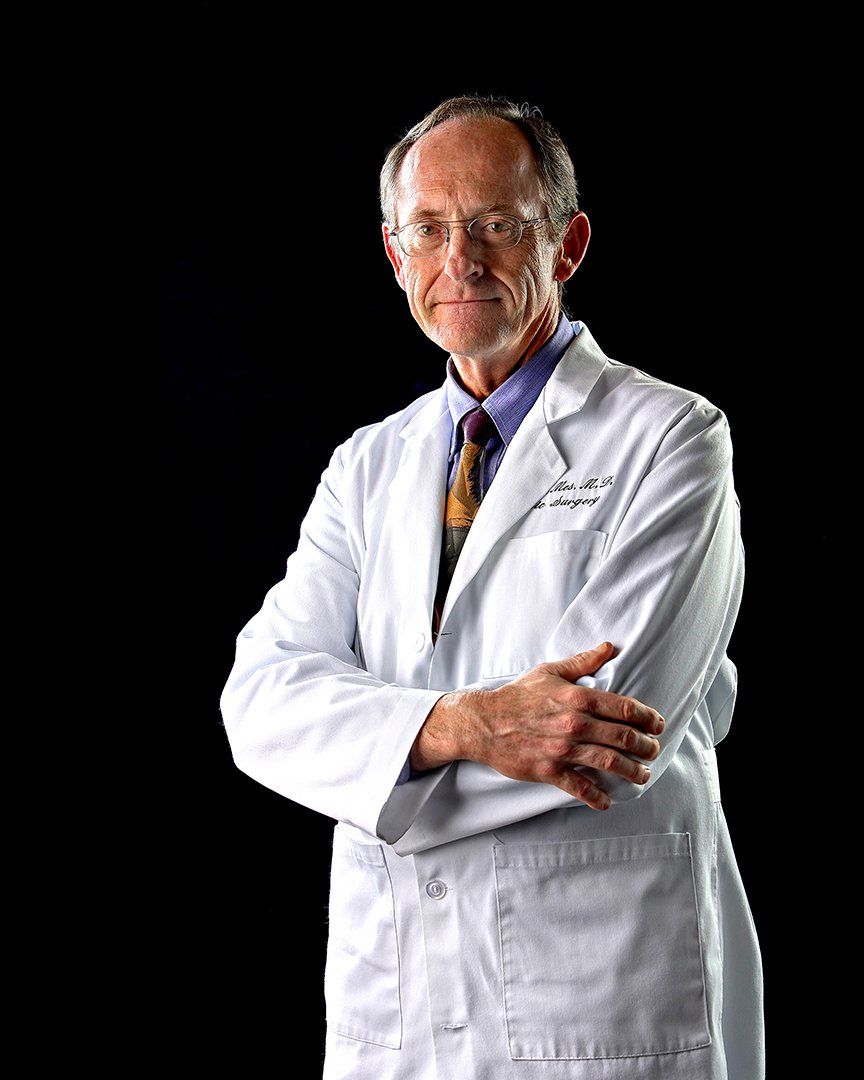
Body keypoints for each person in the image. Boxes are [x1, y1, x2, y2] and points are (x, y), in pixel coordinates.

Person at [219, 95, 764, 1079]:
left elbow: (602, 733)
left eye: (497, 225)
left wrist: (367, 756)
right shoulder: (367, 465)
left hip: (596, 996)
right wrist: (468, 727)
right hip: (398, 1002)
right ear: (396, 255)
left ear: (567, 245)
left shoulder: (674, 440)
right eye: (429, 229)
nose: (459, 259)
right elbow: (260, 705)